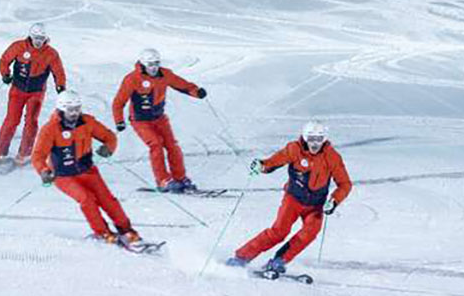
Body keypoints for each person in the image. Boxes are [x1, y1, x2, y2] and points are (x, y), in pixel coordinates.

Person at [227, 119, 352, 275]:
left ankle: (279, 261)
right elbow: (275, 161)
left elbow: (345, 184)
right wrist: (262, 165)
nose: (315, 144)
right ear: (305, 138)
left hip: (315, 205)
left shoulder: (331, 156)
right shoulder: (294, 149)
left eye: (319, 139)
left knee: (310, 232)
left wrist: (334, 201)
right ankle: (242, 257)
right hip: (293, 199)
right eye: (311, 139)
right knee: (279, 232)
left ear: (324, 139)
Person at [32, 91, 140, 244]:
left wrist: (109, 147)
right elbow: (38, 155)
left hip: (87, 171)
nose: (74, 113)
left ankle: (126, 230)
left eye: (77, 109)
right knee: (87, 199)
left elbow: (109, 136)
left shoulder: (87, 122)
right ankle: (102, 233)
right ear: (61, 110)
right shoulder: (50, 129)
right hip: (63, 176)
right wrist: (43, 171)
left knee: (107, 200)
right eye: (70, 110)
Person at [112, 47, 206, 192]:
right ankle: (163, 180)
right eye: (150, 64)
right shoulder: (132, 79)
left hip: (159, 117)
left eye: (156, 63)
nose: (154, 67)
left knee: (172, 146)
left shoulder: (165, 74)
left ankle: (180, 178)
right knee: (156, 144)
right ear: (143, 64)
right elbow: (118, 102)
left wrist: (196, 92)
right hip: (140, 120)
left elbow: (182, 85)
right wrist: (119, 121)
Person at [0, 22, 66, 166]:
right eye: (36, 38)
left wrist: (60, 86)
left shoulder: (51, 54)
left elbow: (59, 71)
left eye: (41, 38)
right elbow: (4, 60)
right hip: (17, 90)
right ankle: (0, 152)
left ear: (46, 38)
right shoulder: (18, 47)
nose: (38, 41)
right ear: (31, 36)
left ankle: (24, 153)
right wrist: (5, 74)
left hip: (36, 92)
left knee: (31, 122)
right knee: (11, 121)